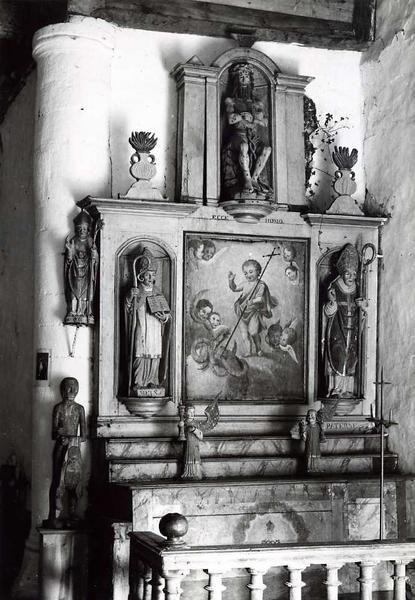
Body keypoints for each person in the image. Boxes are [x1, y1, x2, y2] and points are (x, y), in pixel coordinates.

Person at [221, 62, 272, 198]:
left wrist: (252, 119)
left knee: (267, 149)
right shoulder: (230, 101)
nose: (244, 79)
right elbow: (231, 119)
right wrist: (243, 116)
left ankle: (255, 179)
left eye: (246, 76)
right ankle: (247, 180)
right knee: (243, 146)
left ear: (250, 79)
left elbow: (265, 122)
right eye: (241, 76)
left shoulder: (257, 103)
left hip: (253, 136)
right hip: (238, 135)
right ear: (236, 79)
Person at [125, 248, 171, 395]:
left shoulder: (158, 292)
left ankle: (153, 381)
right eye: (148, 275)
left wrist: (165, 317)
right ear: (141, 277)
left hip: (155, 327)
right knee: (140, 350)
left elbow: (166, 313)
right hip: (141, 325)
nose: (151, 278)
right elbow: (128, 309)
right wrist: (130, 297)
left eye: (153, 275)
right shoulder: (137, 290)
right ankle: (138, 382)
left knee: (155, 352)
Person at [322, 244, 365, 398]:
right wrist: (332, 302)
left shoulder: (359, 288)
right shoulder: (334, 286)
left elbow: (362, 312)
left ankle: (346, 390)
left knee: (351, 356)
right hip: (337, 328)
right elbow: (327, 311)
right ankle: (335, 388)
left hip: (352, 330)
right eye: (348, 274)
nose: (351, 277)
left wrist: (363, 308)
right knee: (338, 354)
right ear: (342, 272)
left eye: (353, 274)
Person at [45, 377, 86, 528]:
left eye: (73, 388)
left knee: (73, 483)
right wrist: (60, 435)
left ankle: (72, 515)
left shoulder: (79, 409)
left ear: (77, 390)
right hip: (61, 448)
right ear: (62, 390)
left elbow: (84, 436)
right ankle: (53, 515)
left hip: (74, 449)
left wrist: (70, 439)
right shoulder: (58, 408)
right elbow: (53, 434)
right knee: (57, 481)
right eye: (68, 388)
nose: (70, 391)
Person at [228, 258, 277, 356]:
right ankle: (248, 352)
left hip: (254, 311)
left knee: (253, 332)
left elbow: (260, 299)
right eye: (245, 273)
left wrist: (252, 301)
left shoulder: (261, 285)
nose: (248, 275)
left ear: (258, 272)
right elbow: (234, 288)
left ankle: (258, 349)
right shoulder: (245, 284)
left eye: (251, 272)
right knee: (244, 334)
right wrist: (231, 281)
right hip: (242, 311)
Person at [64, 210, 99, 325]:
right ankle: (73, 311)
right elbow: (69, 259)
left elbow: (95, 259)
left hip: (87, 272)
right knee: (74, 291)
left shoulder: (90, 241)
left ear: (88, 229)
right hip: (75, 271)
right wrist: (69, 252)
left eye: (84, 228)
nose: (82, 231)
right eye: (79, 228)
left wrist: (94, 255)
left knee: (86, 293)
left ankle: (86, 312)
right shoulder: (74, 240)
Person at [300, 409, 326, 473]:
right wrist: (303, 430)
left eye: (312, 415)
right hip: (309, 444)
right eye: (309, 415)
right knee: (309, 455)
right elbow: (304, 438)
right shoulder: (306, 426)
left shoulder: (318, 426)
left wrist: (323, 428)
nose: (310, 417)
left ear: (316, 417)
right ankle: (309, 468)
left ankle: (317, 467)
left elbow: (322, 435)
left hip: (316, 444)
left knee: (316, 455)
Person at [181, 405, 204, 480]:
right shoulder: (185, 423)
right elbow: (194, 431)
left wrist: (196, 431)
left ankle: (196, 473)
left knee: (195, 455)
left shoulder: (196, 423)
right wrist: (196, 431)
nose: (192, 414)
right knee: (189, 455)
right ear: (185, 413)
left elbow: (201, 436)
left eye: (193, 412)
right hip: (189, 443)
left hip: (195, 443)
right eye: (190, 412)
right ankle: (190, 473)